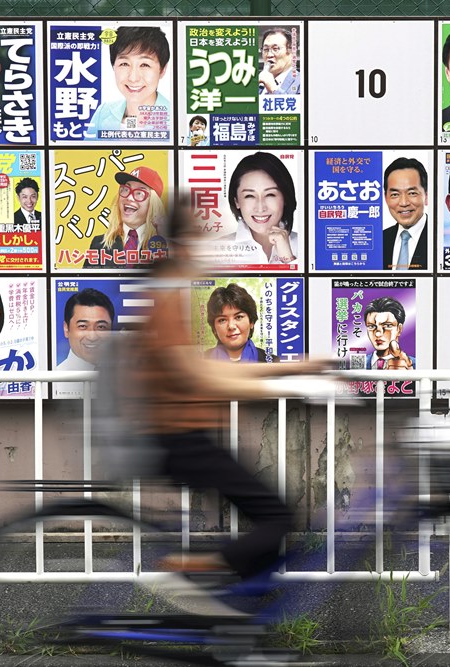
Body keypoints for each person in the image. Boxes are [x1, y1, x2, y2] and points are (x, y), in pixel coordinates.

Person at [115, 198, 327, 579]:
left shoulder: (169, 291)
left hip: (188, 436)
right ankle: (202, 575)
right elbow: (203, 377)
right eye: (201, 237)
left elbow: (204, 373)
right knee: (277, 517)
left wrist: (291, 372)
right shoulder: (166, 295)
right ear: (186, 242)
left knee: (271, 516)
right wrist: (289, 376)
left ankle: (232, 599)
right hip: (179, 438)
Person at [84, 26, 171, 139]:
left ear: (162, 70)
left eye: (145, 65)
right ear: (113, 66)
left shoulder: (177, 117)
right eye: (124, 64)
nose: (133, 78)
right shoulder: (104, 111)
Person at [85, 166, 168, 269]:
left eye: (139, 193)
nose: (129, 197)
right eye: (125, 189)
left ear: (153, 203)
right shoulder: (100, 243)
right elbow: (87, 284)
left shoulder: (164, 246)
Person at [226, 151, 298, 266]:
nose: (260, 208)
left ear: (285, 198)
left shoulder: (308, 246)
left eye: (270, 195)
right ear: (237, 202)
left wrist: (288, 259)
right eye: (249, 196)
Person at [204, 284, 278, 363]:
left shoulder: (274, 363)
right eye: (222, 320)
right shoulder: (197, 363)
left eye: (238, 317)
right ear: (214, 328)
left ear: (251, 322)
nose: (231, 326)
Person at [382, 158, 429, 271]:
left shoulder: (438, 238)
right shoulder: (379, 241)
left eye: (412, 193)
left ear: (426, 196)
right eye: (395, 194)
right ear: (386, 198)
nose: (403, 203)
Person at [57, 288, 115, 371]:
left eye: (101, 327)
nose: (92, 337)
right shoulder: (53, 381)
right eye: (83, 326)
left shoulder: (125, 379)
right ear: (66, 329)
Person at [363, 296, 414, 370]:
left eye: (387, 325)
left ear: (399, 329)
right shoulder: (359, 364)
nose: (378, 334)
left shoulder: (414, 365)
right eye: (371, 326)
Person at [257, 28, 301, 95]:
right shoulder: (258, 83)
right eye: (266, 49)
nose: (269, 55)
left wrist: (273, 89)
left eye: (275, 49)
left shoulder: (303, 81)